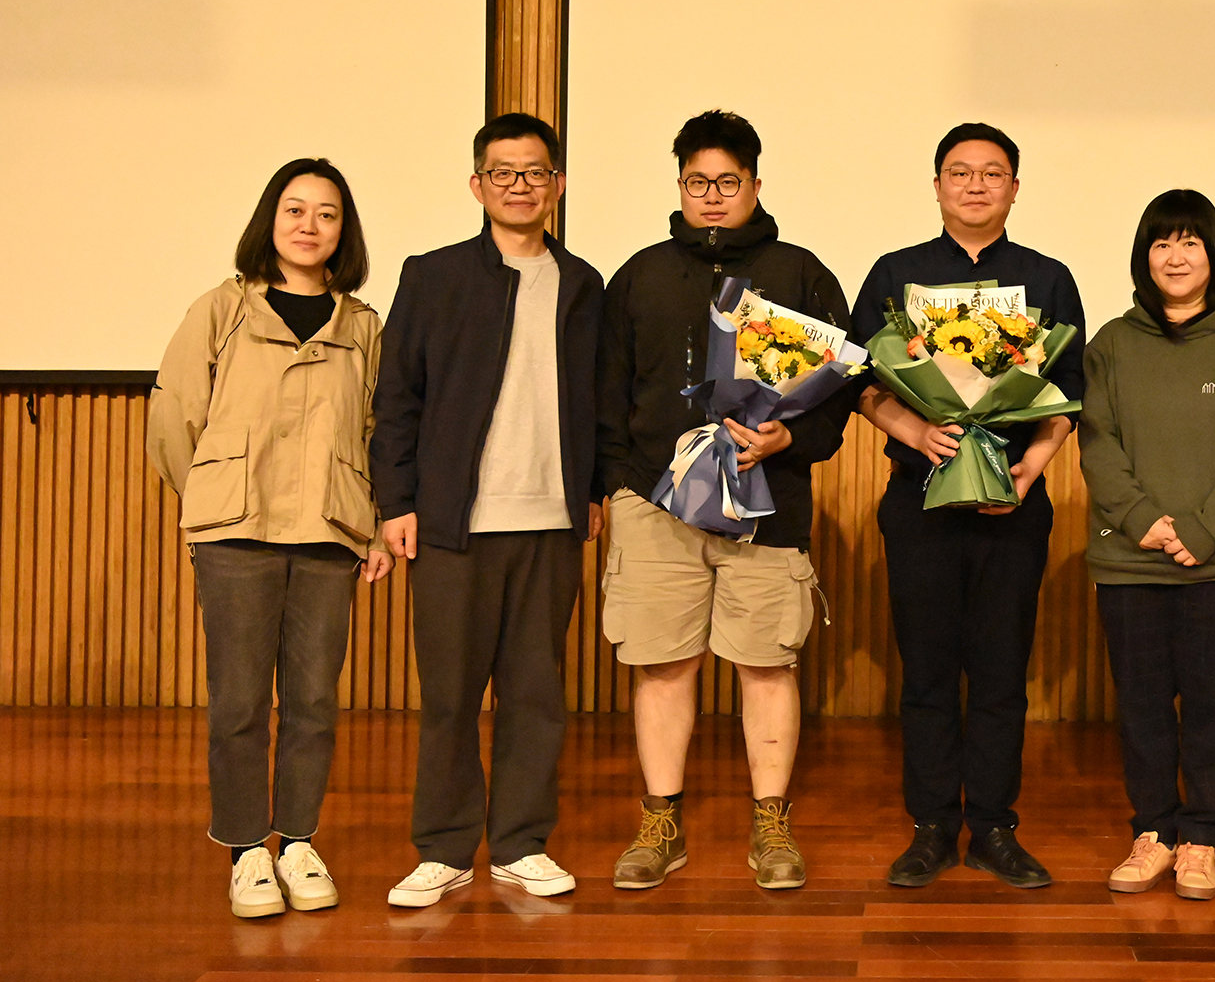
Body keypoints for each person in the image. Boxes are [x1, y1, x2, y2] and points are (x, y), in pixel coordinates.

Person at [595, 110, 855, 891]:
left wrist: (788, 441)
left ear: (756, 184)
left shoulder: (801, 275)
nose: (711, 195)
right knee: (662, 665)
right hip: (654, 506)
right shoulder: (639, 275)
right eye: (697, 182)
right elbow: (607, 393)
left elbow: (841, 393)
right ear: (680, 184)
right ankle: (660, 821)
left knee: (767, 665)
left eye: (727, 182)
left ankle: (771, 823)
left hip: (768, 504)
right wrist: (622, 486)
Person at [371, 112, 604, 908]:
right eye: (503, 172)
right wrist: (396, 501)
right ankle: (442, 849)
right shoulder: (433, 276)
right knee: (449, 696)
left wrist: (593, 491)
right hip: (453, 525)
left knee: (536, 695)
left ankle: (521, 844)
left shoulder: (583, 284)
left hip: (550, 521)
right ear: (478, 185)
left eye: (534, 172)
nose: (519, 186)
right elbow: (396, 398)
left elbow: (599, 399)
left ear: (557, 185)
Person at [148, 158, 389, 918]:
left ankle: (299, 842)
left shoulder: (363, 326)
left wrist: (374, 525)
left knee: (314, 698)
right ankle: (248, 849)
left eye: (326, 213)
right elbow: (175, 417)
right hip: (236, 533)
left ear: (344, 230)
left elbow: (379, 431)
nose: (309, 226)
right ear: (270, 220)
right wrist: (214, 494)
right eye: (294, 209)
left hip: (328, 531)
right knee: (240, 700)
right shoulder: (222, 309)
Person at [851, 123, 1086, 889]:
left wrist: (1030, 471)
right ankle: (930, 827)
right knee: (925, 673)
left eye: (992, 173)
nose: (975, 185)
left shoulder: (1047, 278)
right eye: (960, 172)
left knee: (1000, 673)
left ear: (1014, 188)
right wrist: (916, 431)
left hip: (1013, 508)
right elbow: (861, 383)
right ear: (937, 186)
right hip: (918, 503)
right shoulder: (897, 275)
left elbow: (1068, 395)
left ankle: (992, 826)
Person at [1078, 191, 1215, 901]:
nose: (1175, 256)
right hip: (1129, 560)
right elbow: (1098, 440)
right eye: (1162, 242)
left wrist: (1201, 530)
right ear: (1145, 257)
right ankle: (1153, 832)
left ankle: (1201, 838)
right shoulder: (1111, 343)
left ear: (1214, 253)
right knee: (1140, 708)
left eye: (1190, 242)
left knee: (1211, 707)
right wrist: (1142, 519)